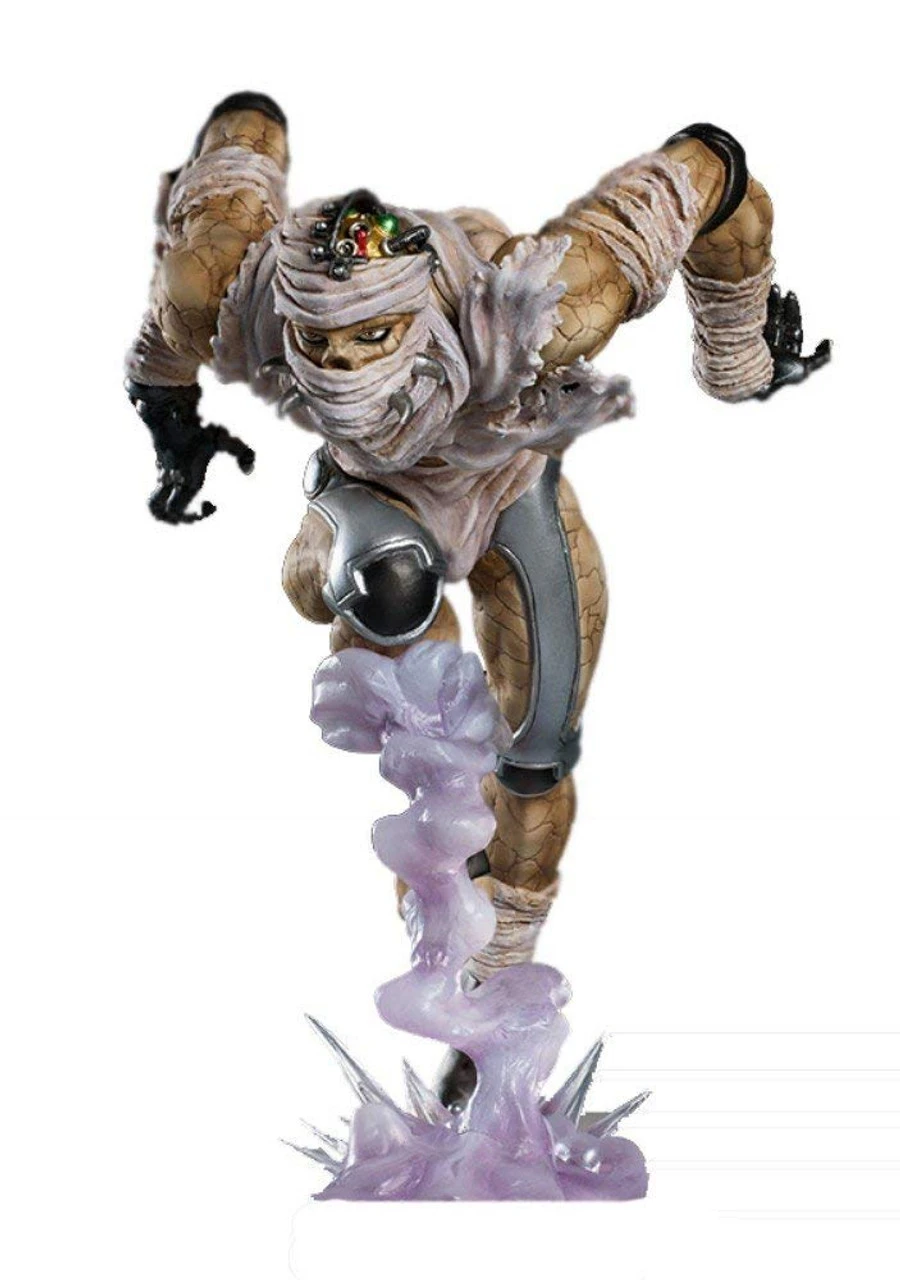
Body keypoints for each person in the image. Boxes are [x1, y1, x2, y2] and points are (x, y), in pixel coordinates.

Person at [125, 92, 830, 1107]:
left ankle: (494, 980)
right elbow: (238, 153)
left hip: (508, 485)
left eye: (372, 337)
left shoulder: (546, 305)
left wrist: (737, 353)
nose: (341, 366)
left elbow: (713, 172)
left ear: (426, 319)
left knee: (536, 754)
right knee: (405, 638)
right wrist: (174, 429)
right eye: (320, 345)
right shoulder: (232, 283)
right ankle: (444, 950)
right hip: (370, 502)